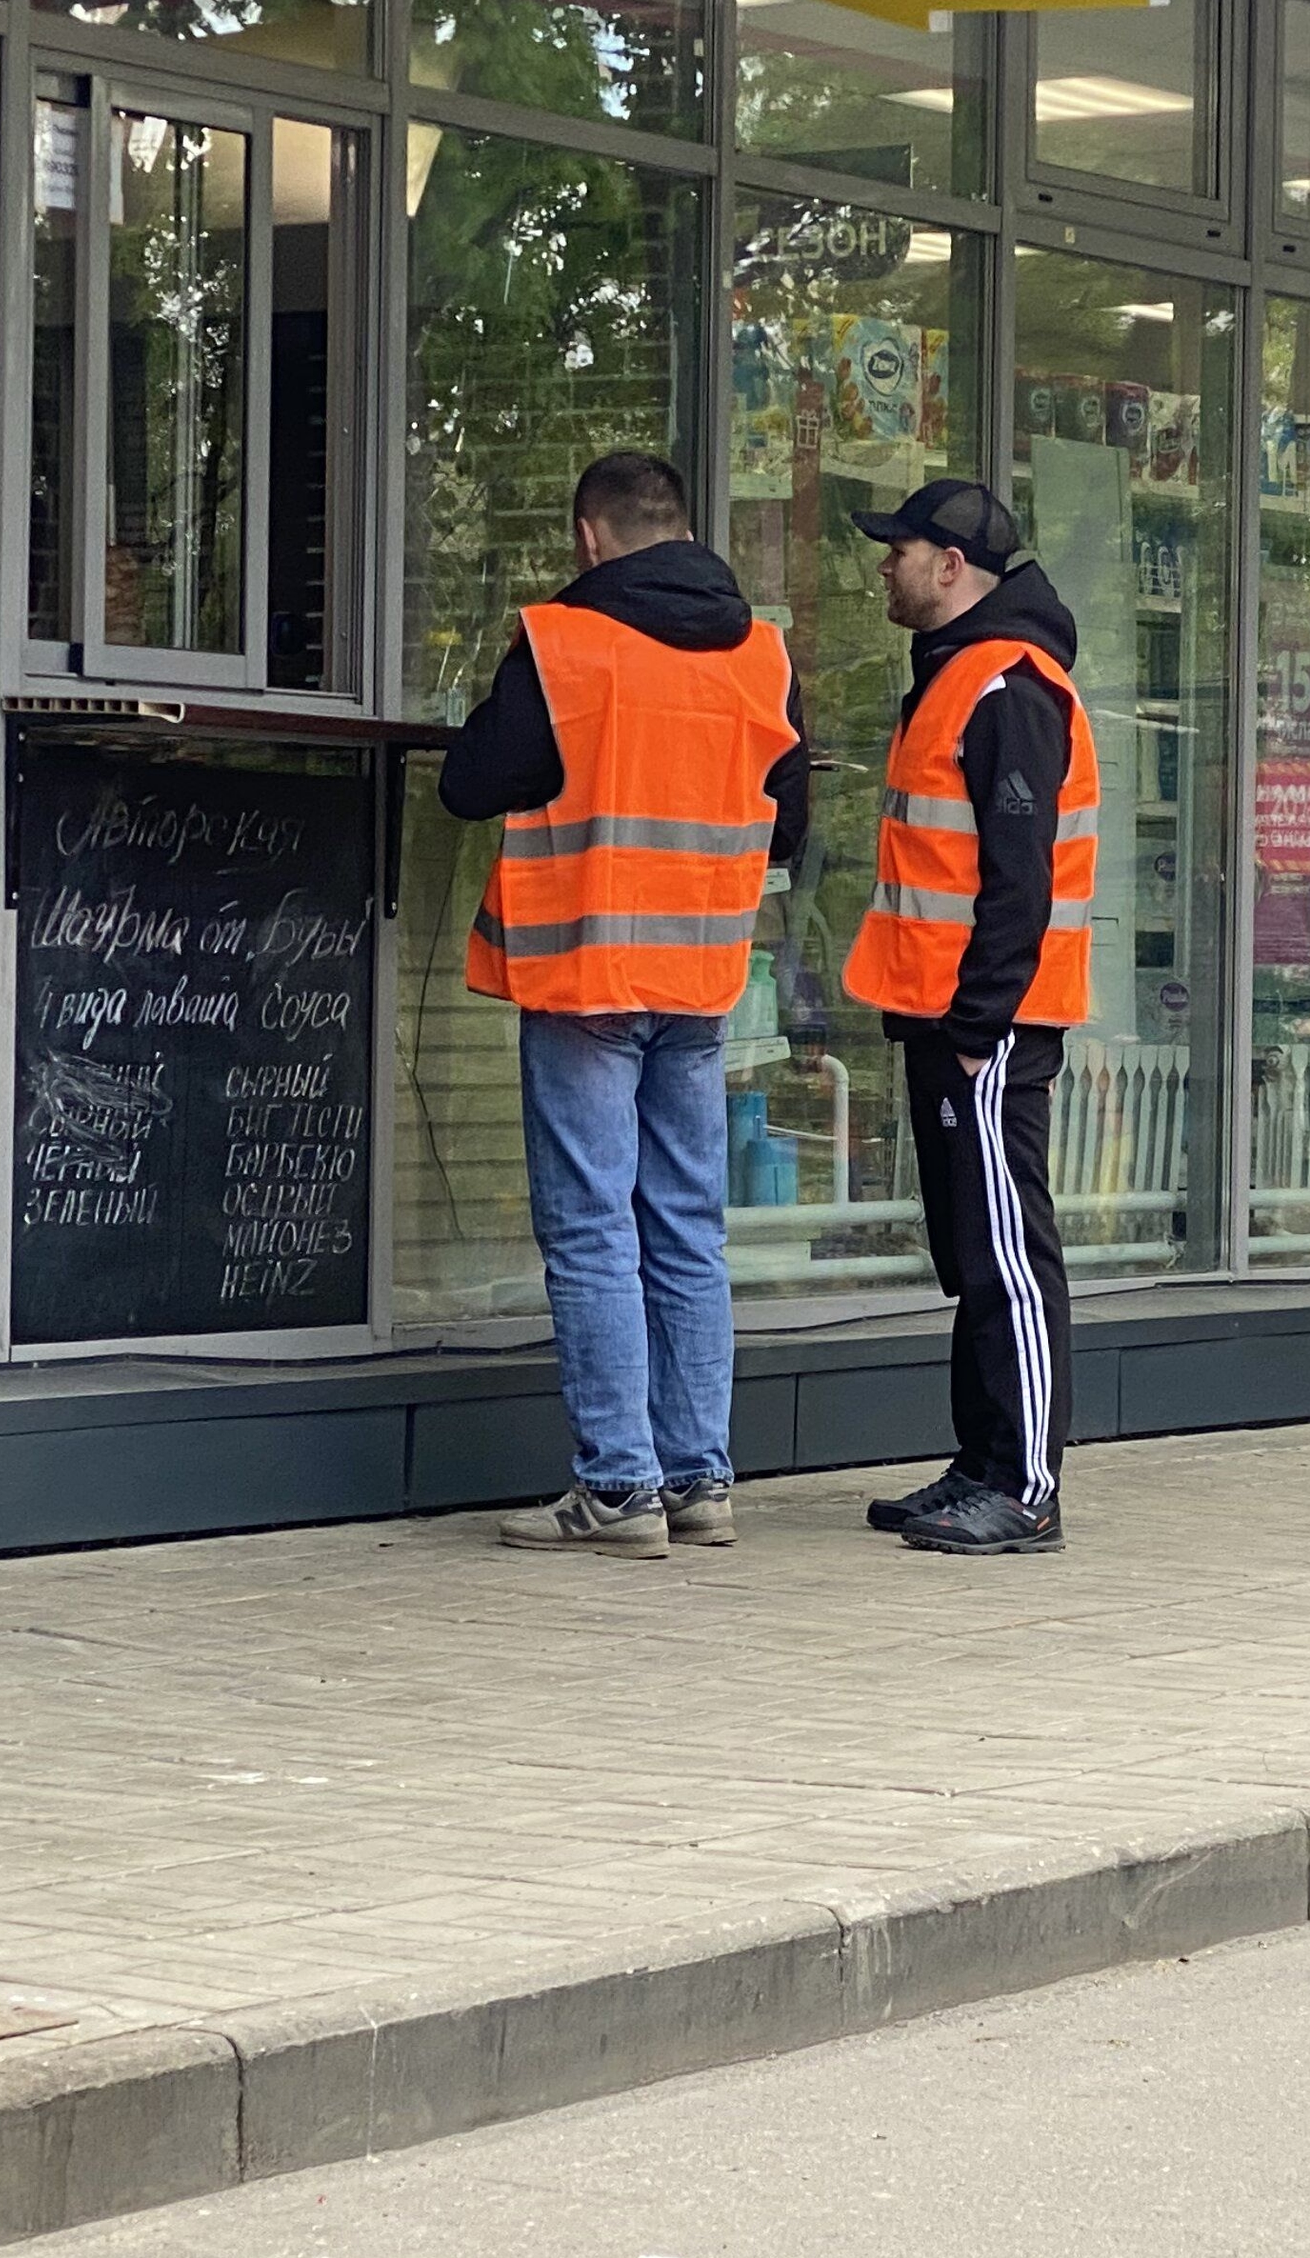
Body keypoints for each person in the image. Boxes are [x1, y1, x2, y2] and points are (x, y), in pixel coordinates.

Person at [443, 450, 810, 1558]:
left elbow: (470, 783)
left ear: (589, 537)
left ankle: (617, 1488)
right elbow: (786, 827)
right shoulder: (761, 655)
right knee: (688, 1227)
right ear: (683, 529)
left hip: (586, 972)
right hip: (701, 977)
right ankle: (702, 1482)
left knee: (594, 1228)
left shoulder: (566, 644)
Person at [842, 477, 1098, 1555]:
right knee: (972, 1246)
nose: (883, 567)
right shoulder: (957, 677)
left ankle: (1026, 1488)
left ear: (952, 566)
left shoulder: (1007, 686)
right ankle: (983, 1463)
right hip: (947, 1016)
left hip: (985, 1025)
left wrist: (978, 1021)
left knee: (1007, 1245)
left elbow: (1017, 877)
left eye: (897, 550)